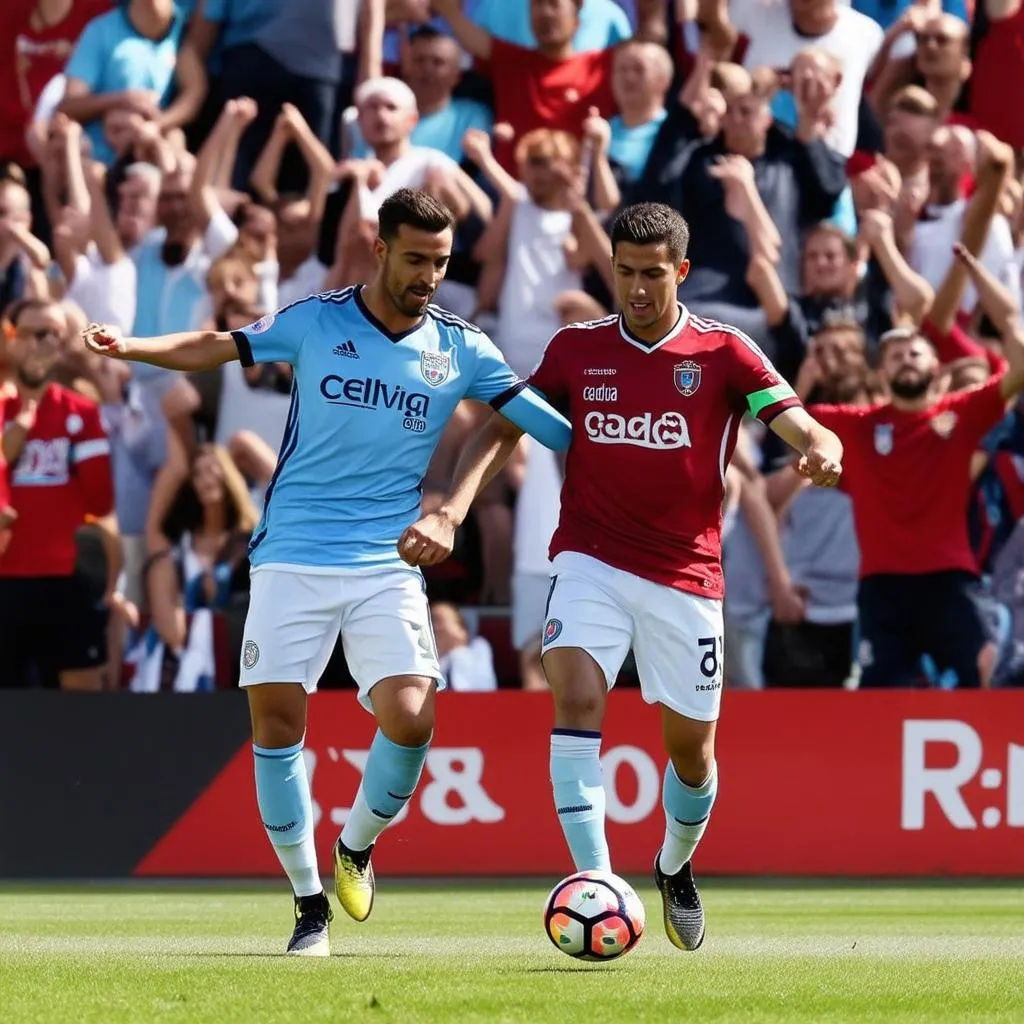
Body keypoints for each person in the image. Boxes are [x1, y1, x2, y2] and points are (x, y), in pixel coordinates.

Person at [81, 187, 571, 957]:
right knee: (277, 727)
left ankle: (356, 845)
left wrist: (458, 505)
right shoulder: (317, 321)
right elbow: (218, 343)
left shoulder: (464, 348)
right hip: (292, 555)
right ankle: (310, 906)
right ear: (380, 249)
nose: (428, 276)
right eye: (415, 258)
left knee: (412, 716)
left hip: (385, 561)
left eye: (441, 262)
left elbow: (537, 423)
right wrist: (133, 347)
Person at [402, 202, 843, 950]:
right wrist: (450, 510)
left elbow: (800, 421)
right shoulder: (576, 351)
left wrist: (821, 448)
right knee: (573, 696)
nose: (637, 289)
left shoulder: (723, 353)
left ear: (681, 271)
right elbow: (504, 427)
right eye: (624, 272)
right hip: (590, 559)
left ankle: (673, 866)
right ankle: (599, 881)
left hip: (687, 575)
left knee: (692, 754)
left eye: (652, 275)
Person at [0, 297, 115, 690]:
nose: (40, 344)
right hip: (5, 579)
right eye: (31, 333)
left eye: (52, 334)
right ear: (10, 340)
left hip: (68, 579)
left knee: (79, 707)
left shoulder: (83, 414)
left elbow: (101, 501)